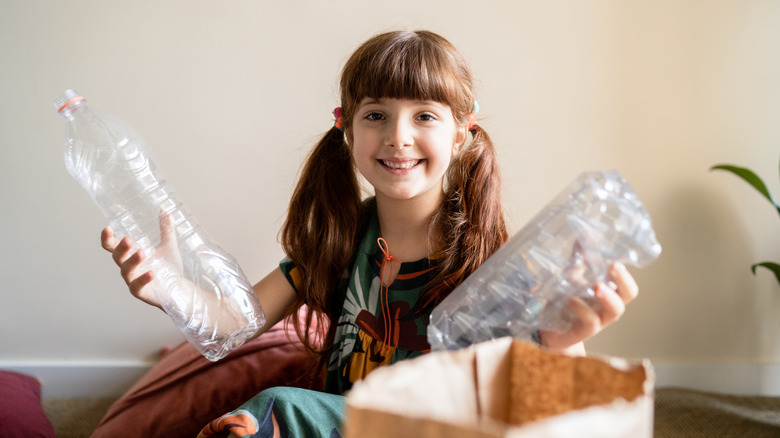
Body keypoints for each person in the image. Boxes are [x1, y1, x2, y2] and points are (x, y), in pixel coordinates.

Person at [101, 29, 639, 438]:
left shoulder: (489, 256)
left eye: (424, 116)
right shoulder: (339, 239)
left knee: (279, 407)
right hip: (345, 424)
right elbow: (235, 324)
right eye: (376, 115)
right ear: (347, 127)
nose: (398, 137)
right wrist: (170, 289)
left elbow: (553, 395)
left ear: (462, 132)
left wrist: (568, 341)